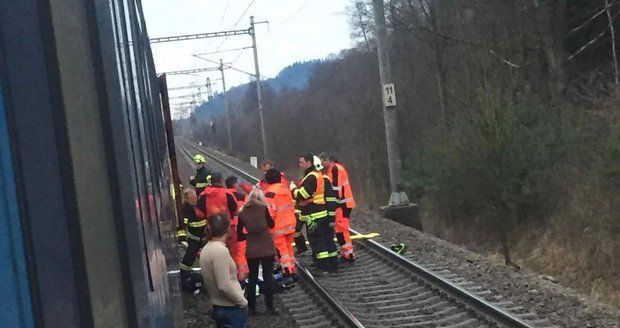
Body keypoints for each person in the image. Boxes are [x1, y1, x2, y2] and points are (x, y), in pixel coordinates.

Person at [291, 154, 338, 274]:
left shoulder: (312, 177)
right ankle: (332, 265)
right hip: (320, 214)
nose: (300, 165)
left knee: (318, 243)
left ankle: (322, 267)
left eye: (302, 162)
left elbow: (303, 195)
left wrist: (293, 190)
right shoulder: (320, 177)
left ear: (309, 163)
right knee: (327, 241)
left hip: (314, 215)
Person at [200, 214, 248, 328]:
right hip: (230, 308)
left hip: (219, 306)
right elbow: (224, 285)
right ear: (227, 229)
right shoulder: (220, 251)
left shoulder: (207, 249)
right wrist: (241, 301)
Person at [237, 188, 278, 316]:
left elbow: (239, 235)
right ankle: (270, 307)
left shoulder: (242, 212)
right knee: (268, 276)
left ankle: (252, 308)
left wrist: (249, 236)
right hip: (266, 246)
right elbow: (271, 224)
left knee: (253, 277)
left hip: (252, 249)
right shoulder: (263, 209)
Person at [320, 153, 356, 262]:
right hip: (343, 204)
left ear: (329, 160)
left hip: (342, 204)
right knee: (340, 230)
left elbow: (336, 189)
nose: (322, 164)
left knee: (341, 230)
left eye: (323, 161)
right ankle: (347, 253)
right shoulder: (333, 170)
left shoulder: (336, 169)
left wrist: (332, 205)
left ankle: (349, 255)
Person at [263, 168, 297, 280]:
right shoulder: (285, 189)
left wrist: (267, 225)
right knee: (289, 249)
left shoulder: (269, 193)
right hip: (290, 224)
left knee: (282, 251)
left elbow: (270, 212)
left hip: (278, 226)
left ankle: (286, 271)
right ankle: (292, 269)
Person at [179, 187, 208, 277]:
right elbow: (182, 225)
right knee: (189, 258)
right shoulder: (185, 210)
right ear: (187, 200)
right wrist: (182, 237)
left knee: (209, 257)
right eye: (192, 199)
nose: (195, 200)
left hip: (205, 237)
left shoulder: (201, 205)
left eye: (195, 198)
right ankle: (184, 275)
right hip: (194, 238)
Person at [226, 176, 249, 282]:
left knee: (229, 252)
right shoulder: (242, 196)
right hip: (240, 228)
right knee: (240, 253)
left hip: (227, 229)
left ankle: (230, 275)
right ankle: (241, 276)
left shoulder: (224, 195)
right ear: (235, 184)